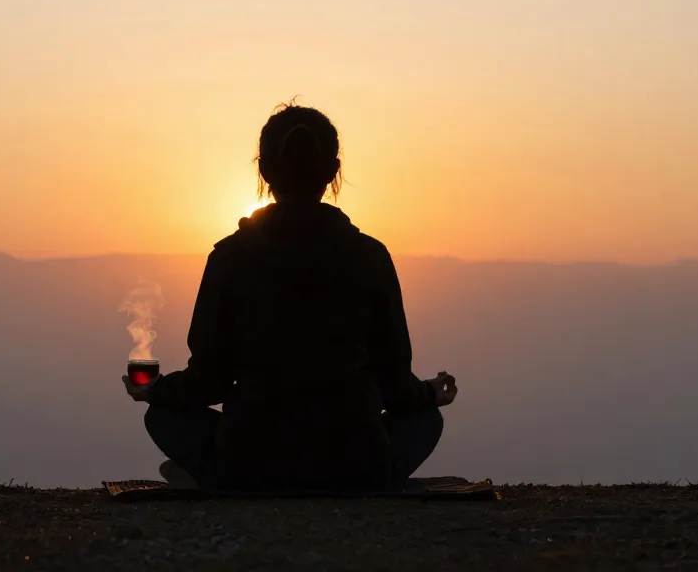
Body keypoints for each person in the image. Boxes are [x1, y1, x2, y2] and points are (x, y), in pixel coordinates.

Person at [121, 102, 458, 491]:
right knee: (426, 419)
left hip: (249, 466)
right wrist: (428, 393)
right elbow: (396, 387)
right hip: (355, 466)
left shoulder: (229, 258)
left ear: (263, 170)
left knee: (161, 416)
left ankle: (213, 474)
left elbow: (208, 383)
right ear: (333, 172)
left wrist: (156, 390)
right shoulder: (370, 257)